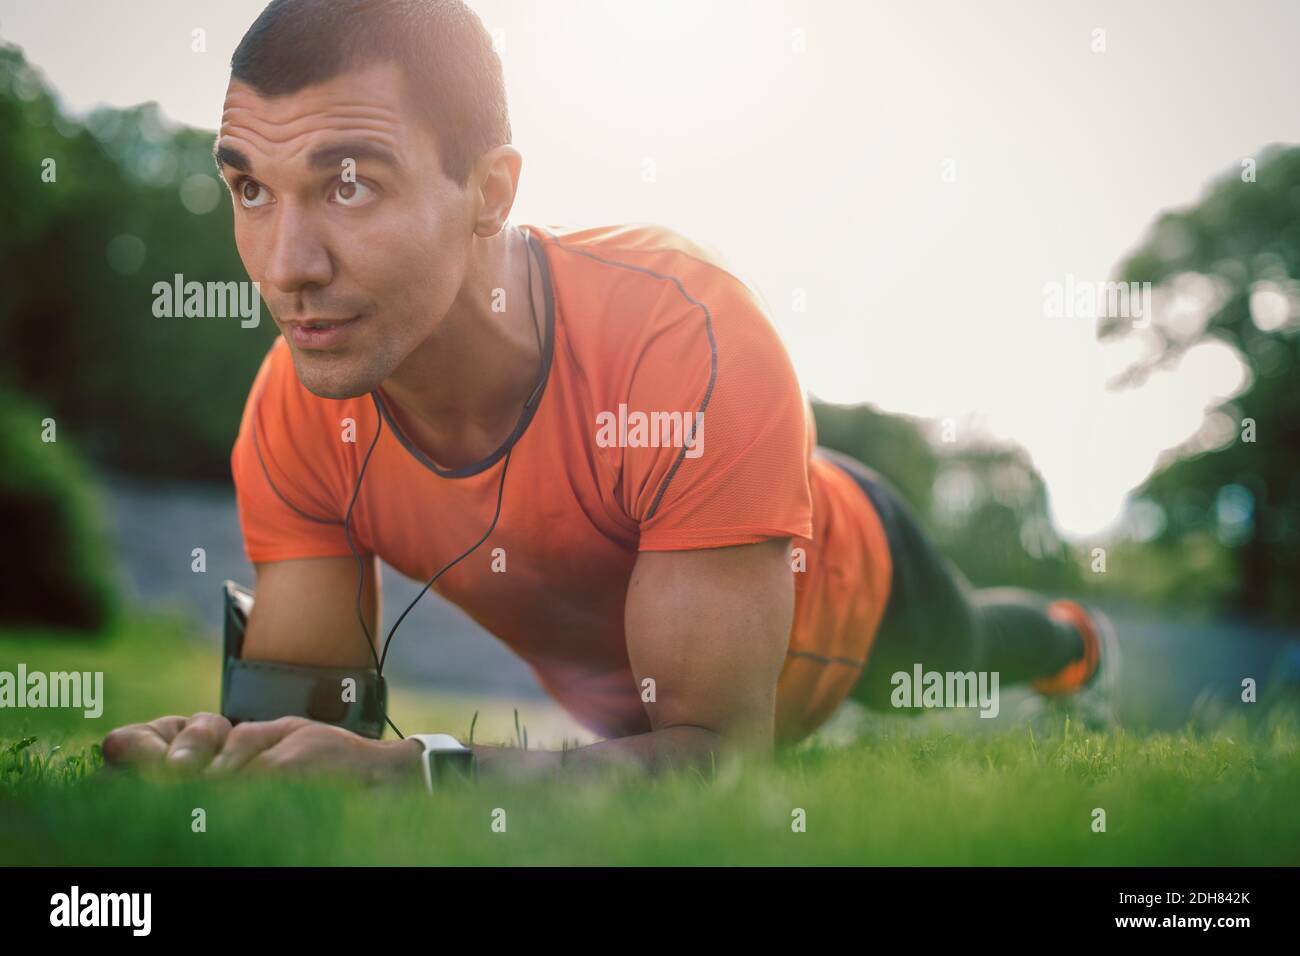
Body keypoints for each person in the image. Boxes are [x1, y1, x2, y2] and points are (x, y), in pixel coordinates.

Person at [102, 0, 1117, 785]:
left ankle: (1073, 644)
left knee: (970, 647)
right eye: (250, 188)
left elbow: (715, 762)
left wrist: (417, 776)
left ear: (490, 193)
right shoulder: (296, 408)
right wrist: (220, 754)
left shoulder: (686, 336)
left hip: (857, 581)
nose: (286, 266)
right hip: (638, 679)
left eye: (351, 182)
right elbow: (303, 725)